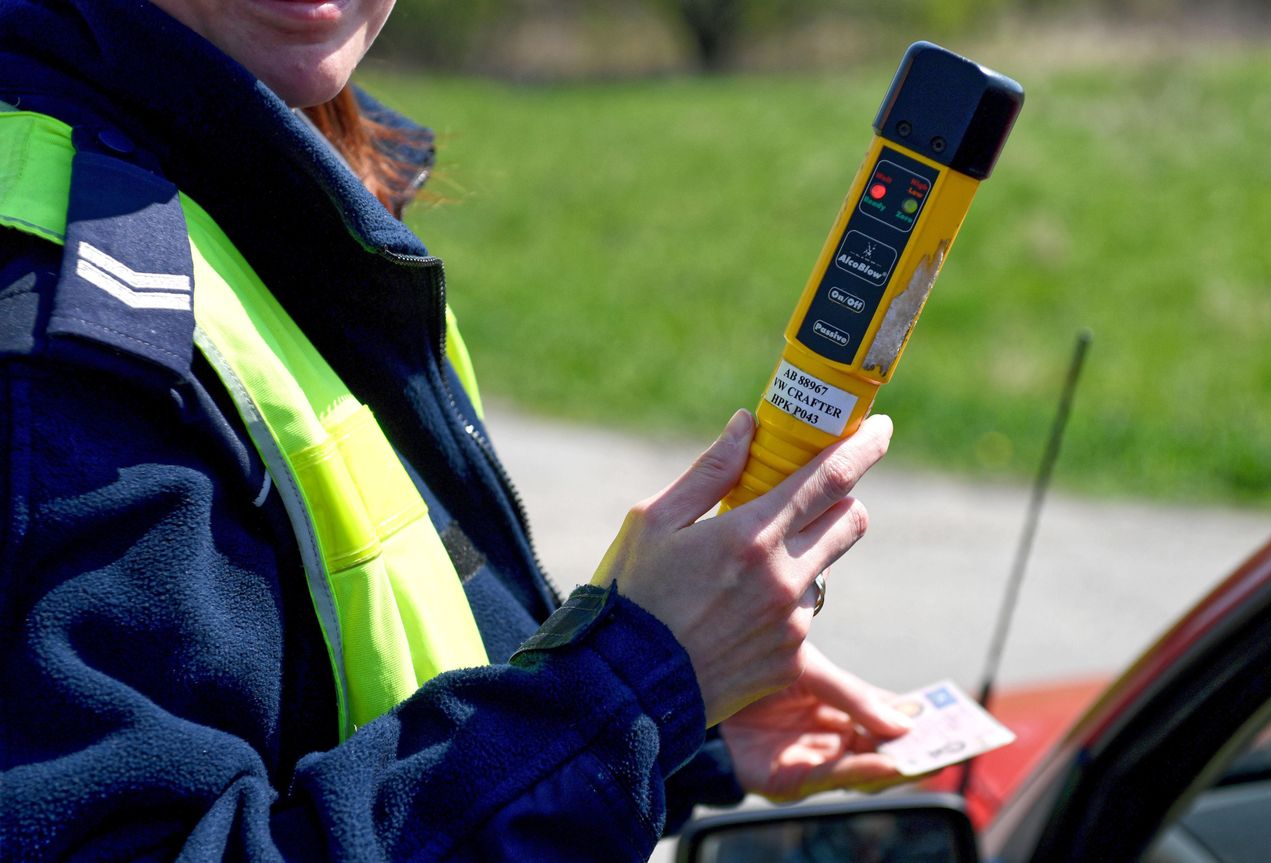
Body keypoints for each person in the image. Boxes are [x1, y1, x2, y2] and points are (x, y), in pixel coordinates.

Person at [0, 0, 913, 859]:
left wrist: (679, 717)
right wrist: (624, 689)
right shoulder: (57, 333)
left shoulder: (276, 147)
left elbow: (385, 659)